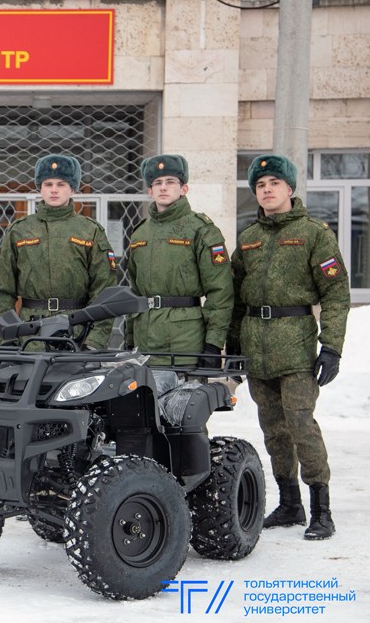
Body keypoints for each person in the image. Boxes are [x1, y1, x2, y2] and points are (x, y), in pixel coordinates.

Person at [228, 154, 350, 541]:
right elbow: (233, 297)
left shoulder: (315, 233)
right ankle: (290, 504)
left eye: (274, 184)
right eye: (260, 186)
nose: (267, 190)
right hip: (256, 348)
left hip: (296, 346)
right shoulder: (248, 239)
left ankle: (322, 510)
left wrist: (331, 347)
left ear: (290, 189)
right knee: (273, 431)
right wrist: (232, 348)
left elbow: (336, 293)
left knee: (301, 426)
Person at [0, 154, 116, 349]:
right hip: (29, 335)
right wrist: (9, 338)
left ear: (72, 188)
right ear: (40, 188)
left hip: (76, 334)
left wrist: (93, 341)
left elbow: (104, 291)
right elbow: (1, 290)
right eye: (48, 184)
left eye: (61, 184)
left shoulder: (90, 231)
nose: (54, 190)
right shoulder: (20, 230)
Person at [125, 154, 233, 366]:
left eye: (170, 182)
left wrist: (213, 344)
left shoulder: (200, 229)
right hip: (145, 342)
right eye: (157, 183)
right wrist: (130, 339)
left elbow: (220, 292)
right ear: (150, 191)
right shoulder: (140, 234)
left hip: (185, 344)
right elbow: (134, 293)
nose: (163, 187)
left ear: (184, 188)